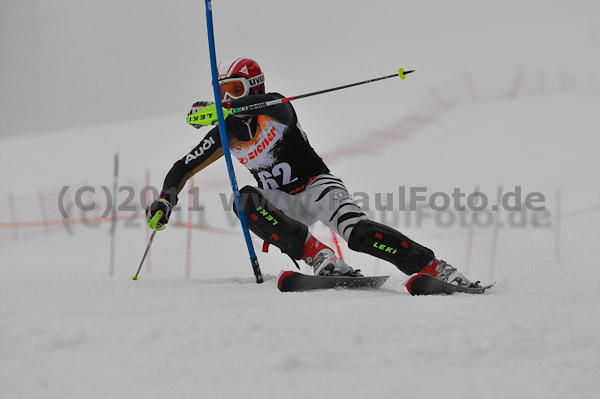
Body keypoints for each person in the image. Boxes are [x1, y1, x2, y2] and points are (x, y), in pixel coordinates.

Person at [146, 57, 477, 288]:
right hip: (284, 203)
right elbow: (182, 167)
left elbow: (275, 103)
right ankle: (322, 258)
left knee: (358, 235)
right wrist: (165, 200)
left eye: (234, 89)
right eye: (221, 91)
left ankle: (436, 268)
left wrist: (230, 106)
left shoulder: (275, 110)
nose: (226, 98)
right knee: (245, 200)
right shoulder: (225, 132)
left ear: (253, 86)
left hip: (317, 187)